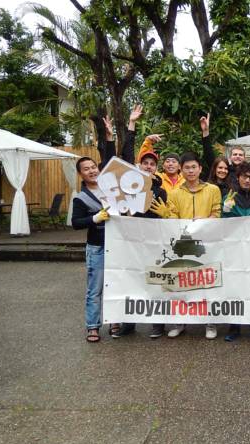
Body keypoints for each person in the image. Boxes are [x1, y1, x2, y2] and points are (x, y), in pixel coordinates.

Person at [104, 106, 169, 339]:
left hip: (153, 242)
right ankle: (128, 322)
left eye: (152, 164)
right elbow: (125, 155)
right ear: (139, 166)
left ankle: (158, 324)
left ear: (156, 168)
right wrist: (131, 124)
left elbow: (164, 218)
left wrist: (165, 214)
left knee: (156, 280)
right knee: (129, 279)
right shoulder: (128, 184)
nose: (148, 166)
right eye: (145, 163)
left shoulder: (161, 191)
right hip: (130, 241)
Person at [150, 152, 222, 340]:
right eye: (187, 168)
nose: (190, 171)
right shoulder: (174, 193)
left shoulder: (213, 190)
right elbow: (173, 219)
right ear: (181, 170)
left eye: (193, 167)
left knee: (207, 283)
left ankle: (210, 322)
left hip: (206, 243)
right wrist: (167, 215)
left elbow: (217, 213)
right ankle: (179, 322)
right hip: (182, 244)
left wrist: (204, 221)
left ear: (200, 169)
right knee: (181, 282)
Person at [221, 162, 250, 342]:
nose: (247, 180)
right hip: (233, 250)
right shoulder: (229, 198)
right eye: (244, 177)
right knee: (235, 286)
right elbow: (223, 224)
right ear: (238, 177)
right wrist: (225, 210)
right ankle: (234, 327)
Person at [72, 156, 111, 343]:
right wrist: (94, 218)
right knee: (95, 289)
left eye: (93, 167)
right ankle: (93, 326)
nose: (92, 171)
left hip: (117, 245)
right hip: (97, 247)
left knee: (116, 286)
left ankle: (115, 322)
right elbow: (76, 223)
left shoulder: (111, 188)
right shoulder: (81, 198)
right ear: (81, 174)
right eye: (86, 169)